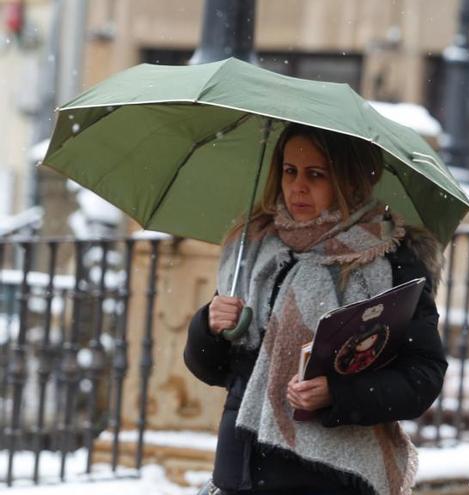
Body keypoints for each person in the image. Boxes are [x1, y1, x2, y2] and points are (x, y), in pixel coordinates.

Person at [184, 123, 447, 495]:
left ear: (351, 181)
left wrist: (338, 395)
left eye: (316, 174)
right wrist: (208, 327)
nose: (297, 187)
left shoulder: (391, 262)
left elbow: (423, 376)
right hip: (239, 471)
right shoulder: (254, 249)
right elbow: (215, 370)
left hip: (328, 479)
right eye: (290, 171)